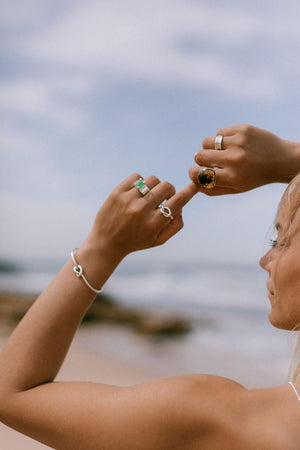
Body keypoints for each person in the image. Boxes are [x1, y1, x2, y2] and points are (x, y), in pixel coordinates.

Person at [0, 124, 300, 449]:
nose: (265, 259)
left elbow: (12, 392)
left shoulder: (218, 421)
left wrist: (102, 249)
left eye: (280, 239)